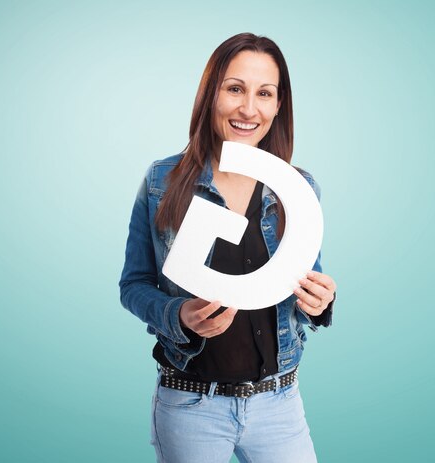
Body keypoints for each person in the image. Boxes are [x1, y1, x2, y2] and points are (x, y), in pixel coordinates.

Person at [119, 32, 336, 463]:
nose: (248, 108)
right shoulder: (163, 180)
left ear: (278, 106)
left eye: (264, 93)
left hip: (280, 404)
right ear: (210, 94)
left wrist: (321, 302)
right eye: (234, 88)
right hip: (190, 405)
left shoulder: (299, 188)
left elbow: (305, 278)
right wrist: (177, 314)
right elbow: (134, 284)